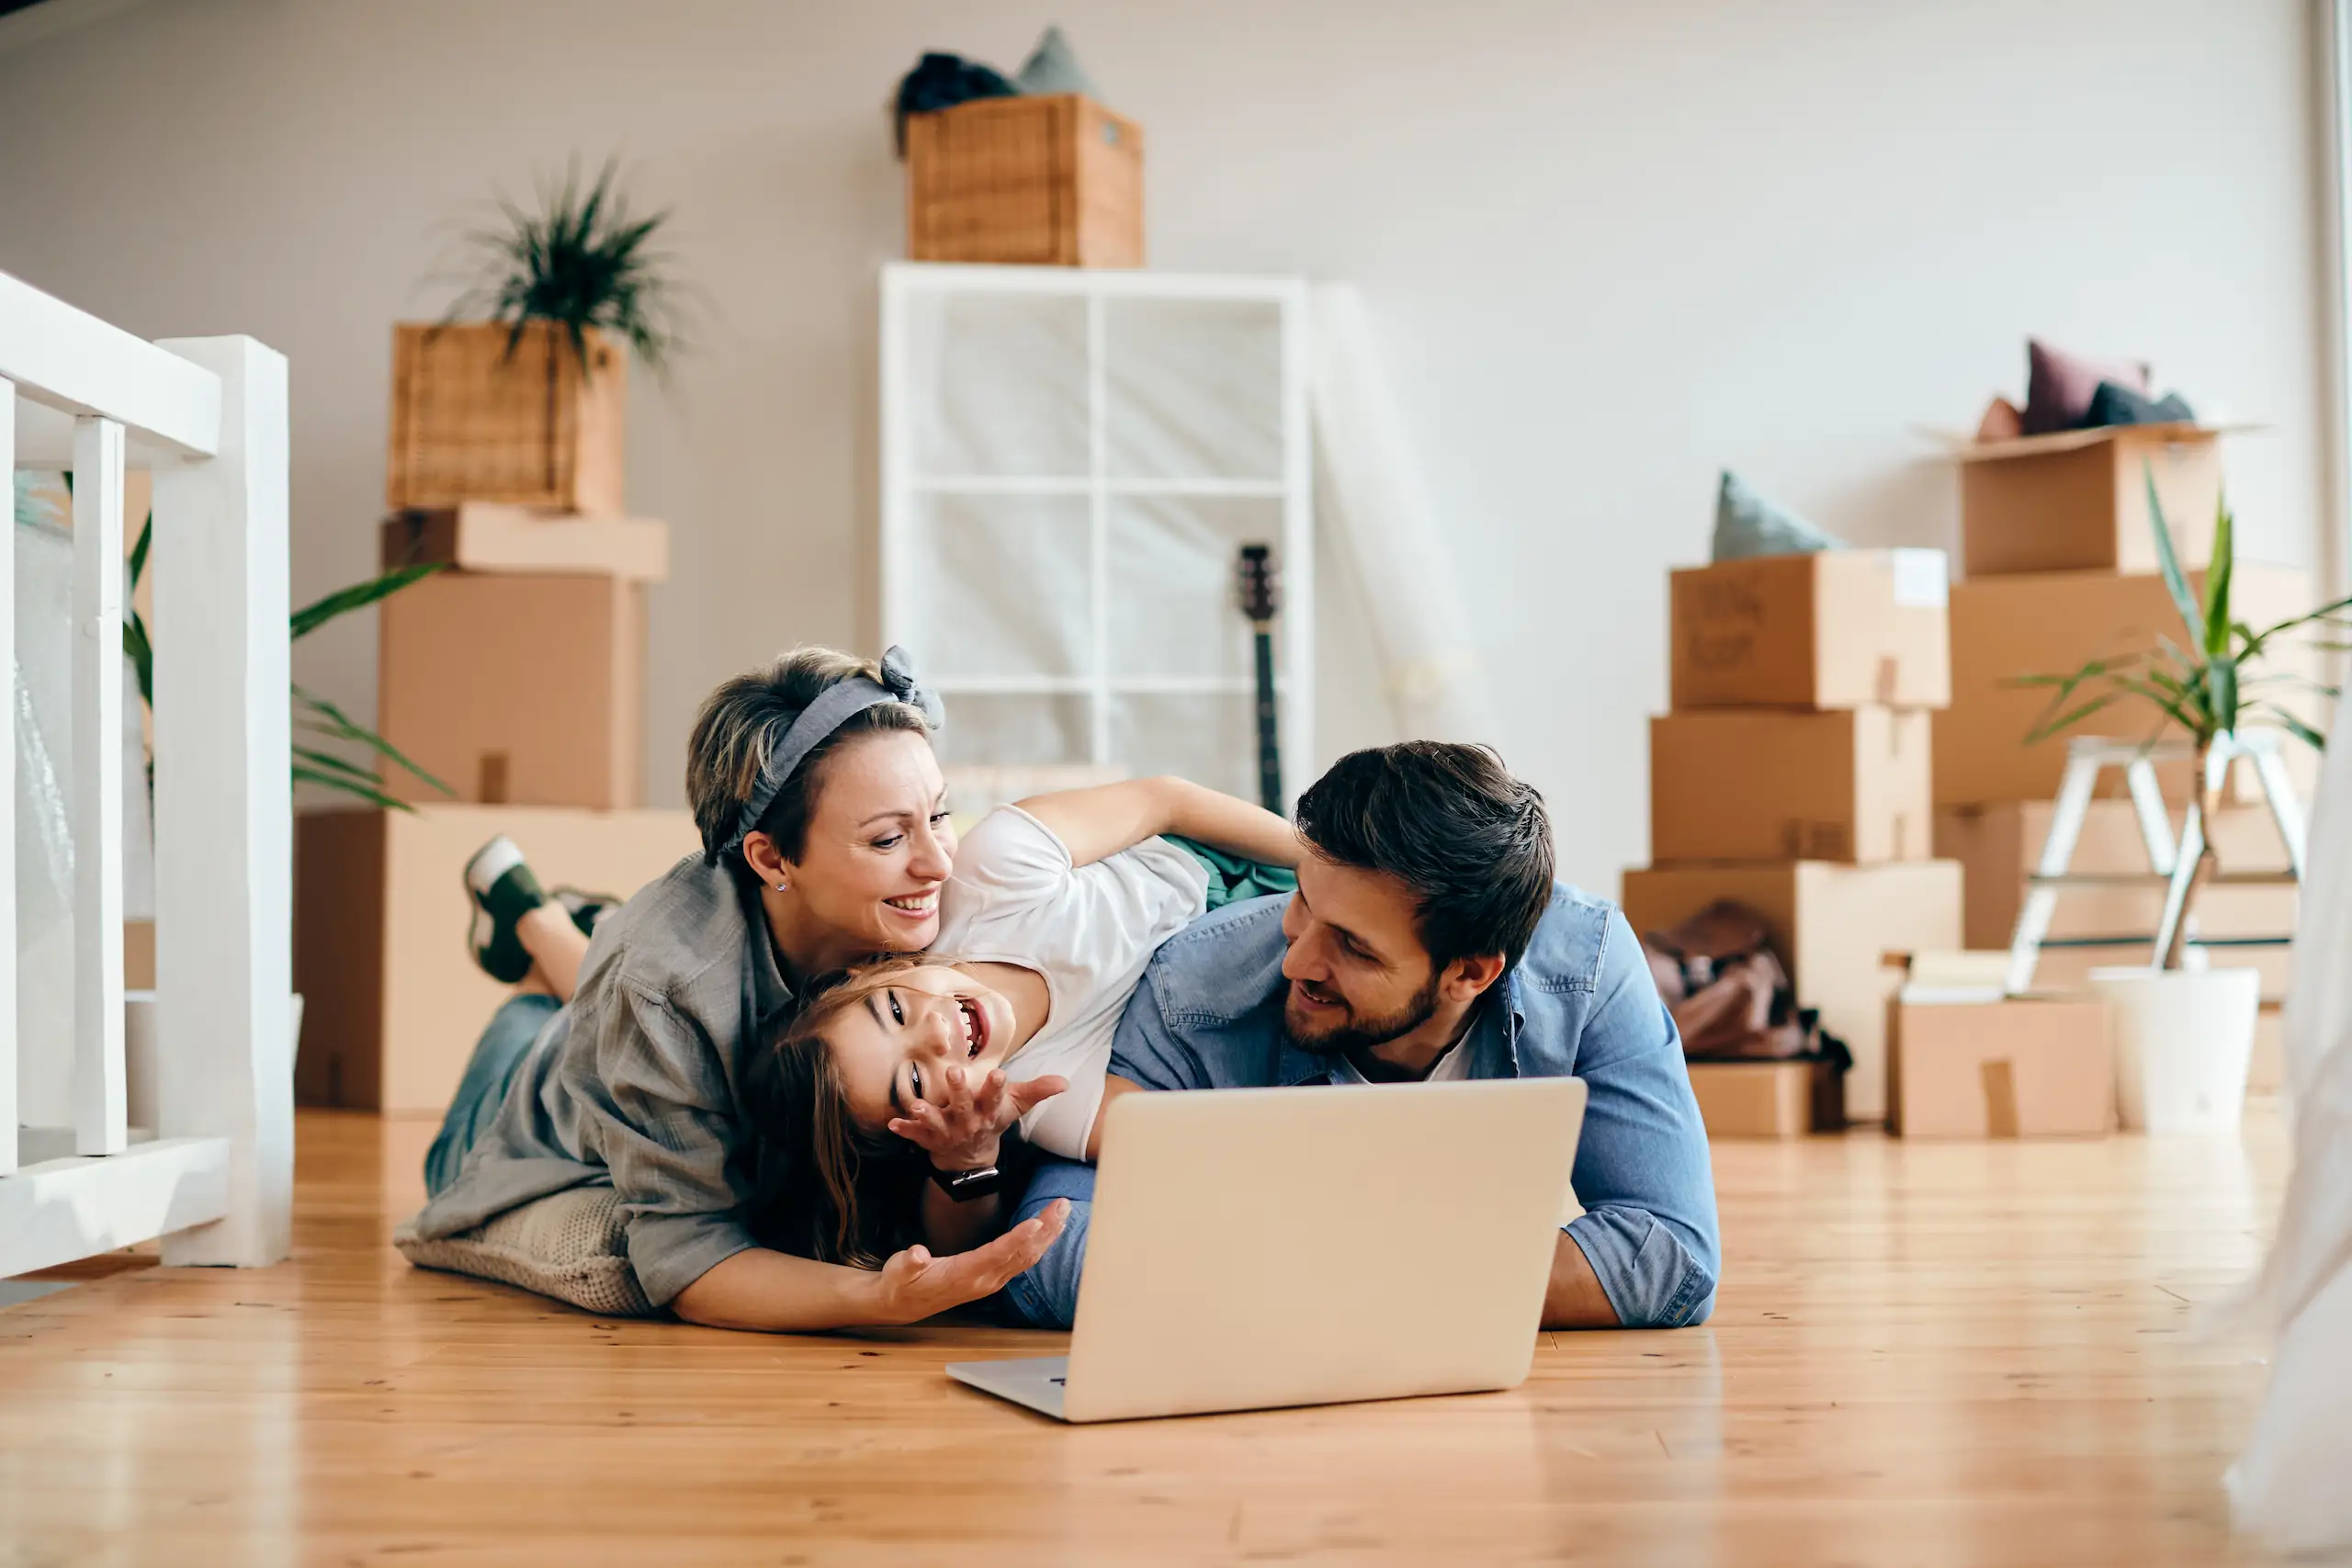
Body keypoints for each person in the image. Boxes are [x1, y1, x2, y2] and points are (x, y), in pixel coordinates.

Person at [407, 646, 1070, 1330]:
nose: (938, 862)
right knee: (551, 1022)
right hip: (539, 1093)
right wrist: (879, 1298)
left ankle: (564, 924)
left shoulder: (930, 902)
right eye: (885, 840)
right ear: (771, 857)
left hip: (647, 993)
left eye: (937, 814)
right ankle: (531, 916)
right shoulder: (661, 982)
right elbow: (689, 1258)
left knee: (616, 986)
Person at [1001, 740, 1722, 1332]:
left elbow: (1672, 1257)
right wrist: (1407, 1278)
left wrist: (1320, 1275)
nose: (1298, 961)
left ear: (1468, 971)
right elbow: (1050, 1252)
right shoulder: (1196, 989)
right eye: (1302, 903)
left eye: (1353, 945)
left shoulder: (1587, 968)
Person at [740, 777, 1301, 1271]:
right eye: (913, 1081)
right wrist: (968, 1158)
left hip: (1231, 864)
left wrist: (1320, 863)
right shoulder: (1043, 1100)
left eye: (894, 1011)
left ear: (871, 971)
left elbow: (1169, 802)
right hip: (1249, 986)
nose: (936, 1036)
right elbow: (1194, 1131)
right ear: (925, 1128)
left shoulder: (990, 874)